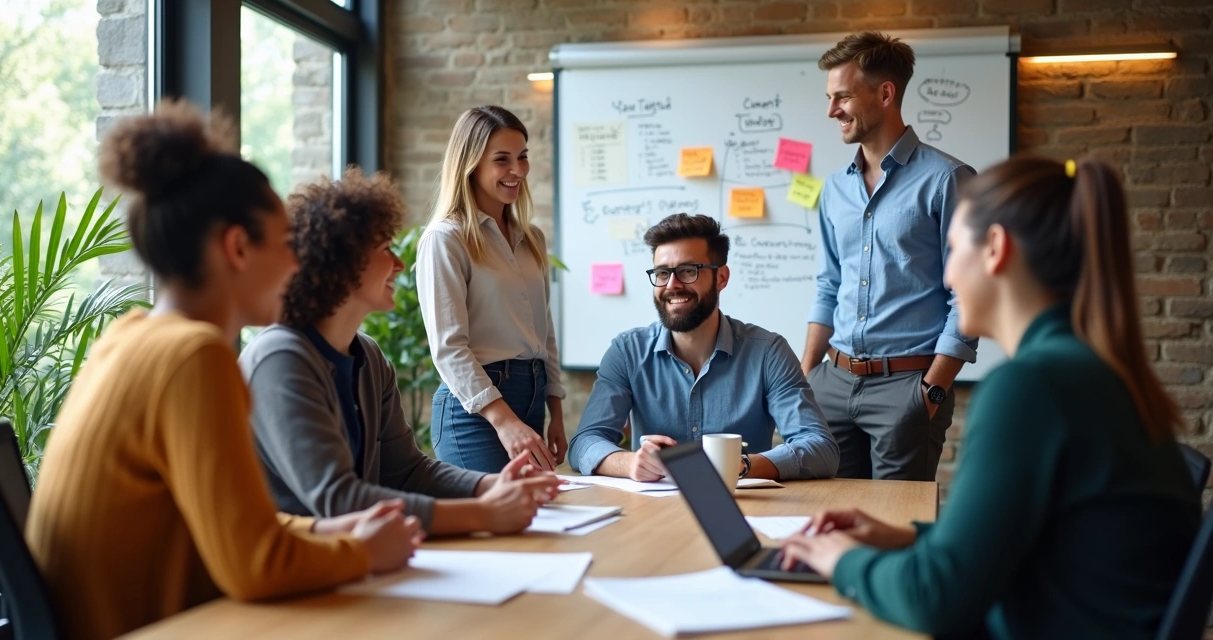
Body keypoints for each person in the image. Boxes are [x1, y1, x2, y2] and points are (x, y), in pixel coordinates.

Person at [25, 101, 422, 640]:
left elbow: (240, 529)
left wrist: (329, 530)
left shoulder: (128, 337)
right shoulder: (195, 356)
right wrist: (362, 551)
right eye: (285, 244)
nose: (296, 263)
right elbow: (256, 564)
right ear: (237, 247)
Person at [778, 156, 1202, 639]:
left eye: (954, 249)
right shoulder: (1088, 369)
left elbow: (933, 598)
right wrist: (904, 536)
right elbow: (1045, 540)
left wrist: (842, 559)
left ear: (995, 249)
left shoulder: (1032, 386)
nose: (947, 278)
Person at [241, 168, 560, 535]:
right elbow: (337, 500)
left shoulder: (370, 358)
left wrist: (491, 486)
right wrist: (483, 514)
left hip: (356, 562)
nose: (399, 264)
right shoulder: (280, 359)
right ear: (342, 264)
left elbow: (408, 472)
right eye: (384, 249)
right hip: (295, 574)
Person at [800, 31, 978, 481]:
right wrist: (804, 381)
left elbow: (969, 296)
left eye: (842, 96)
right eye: (829, 97)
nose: (831, 110)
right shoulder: (834, 188)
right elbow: (829, 284)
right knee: (830, 522)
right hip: (832, 385)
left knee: (894, 530)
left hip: (908, 387)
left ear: (885, 93)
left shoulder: (948, 180)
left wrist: (931, 391)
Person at [568, 213, 839, 482]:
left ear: (721, 277)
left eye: (688, 271)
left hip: (745, 509)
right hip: (653, 511)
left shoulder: (768, 352)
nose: (672, 285)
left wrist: (737, 466)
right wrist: (629, 463)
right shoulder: (627, 352)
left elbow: (820, 449)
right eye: (662, 273)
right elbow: (584, 443)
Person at [417, 105, 565, 474]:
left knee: (537, 523)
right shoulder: (446, 238)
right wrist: (504, 420)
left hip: (531, 399)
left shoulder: (532, 238)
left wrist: (556, 410)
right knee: (500, 526)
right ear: (471, 164)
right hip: (476, 414)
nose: (518, 170)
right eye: (502, 160)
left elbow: (543, 332)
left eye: (523, 157)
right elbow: (449, 349)